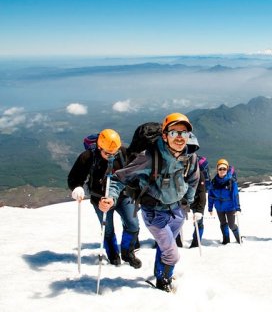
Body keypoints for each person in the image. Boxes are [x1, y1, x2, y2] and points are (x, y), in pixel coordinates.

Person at [100, 113, 199, 292]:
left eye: (183, 133)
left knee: (165, 248)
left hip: (177, 210)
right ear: (164, 135)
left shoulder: (190, 155)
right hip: (155, 213)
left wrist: (188, 202)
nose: (179, 137)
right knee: (172, 253)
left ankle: (160, 273)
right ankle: (164, 281)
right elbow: (118, 179)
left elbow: (193, 178)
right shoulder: (149, 157)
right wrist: (111, 198)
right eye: (174, 132)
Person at [68, 129, 142, 268]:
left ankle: (127, 252)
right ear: (99, 147)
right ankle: (113, 255)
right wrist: (76, 187)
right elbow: (75, 177)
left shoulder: (124, 154)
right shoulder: (88, 157)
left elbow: (134, 174)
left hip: (123, 196)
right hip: (99, 200)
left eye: (114, 152)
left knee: (133, 224)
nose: (111, 156)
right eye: (107, 153)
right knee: (108, 230)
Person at [208, 158, 241, 244]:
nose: (222, 170)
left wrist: (238, 208)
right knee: (223, 223)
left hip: (230, 207)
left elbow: (235, 195)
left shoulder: (231, 181)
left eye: (224, 169)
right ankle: (226, 240)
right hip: (219, 207)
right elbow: (210, 195)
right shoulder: (214, 182)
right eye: (220, 169)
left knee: (231, 225)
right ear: (217, 170)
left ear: (227, 169)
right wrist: (210, 208)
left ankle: (238, 238)